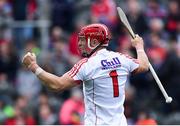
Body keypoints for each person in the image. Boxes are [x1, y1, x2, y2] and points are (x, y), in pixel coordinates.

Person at [22, 23, 149, 125]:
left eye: (83, 40)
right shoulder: (122, 58)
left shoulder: (87, 65)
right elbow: (144, 66)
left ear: (94, 42)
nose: (80, 44)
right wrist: (139, 47)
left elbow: (57, 85)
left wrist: (34, 67)